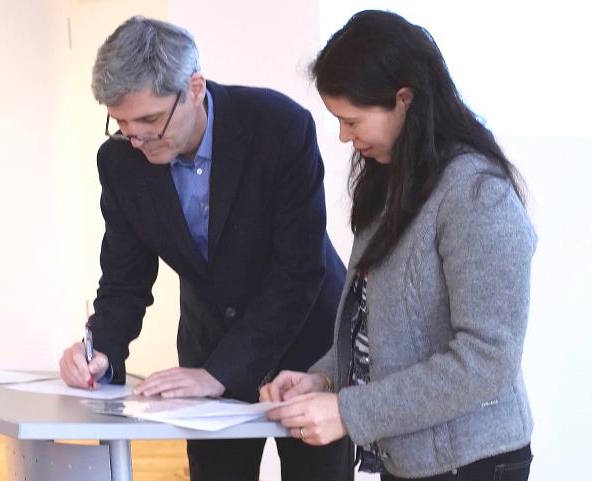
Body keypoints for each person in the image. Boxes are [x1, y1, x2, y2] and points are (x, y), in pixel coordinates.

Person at [58, 16, 350, 481]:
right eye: (122, 123)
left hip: (308, 343)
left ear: (194, 88)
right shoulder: (119, 161)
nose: (137, 138)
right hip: (208, 340)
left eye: (150, 119)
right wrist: (102, 352)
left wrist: (219, 372)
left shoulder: (278, 127)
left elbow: (298, 272)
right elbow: (124, 279)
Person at [261, 10, 536, 481]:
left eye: (352, 121)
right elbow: (380, 325)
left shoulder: (477, 195)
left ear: (404, 98)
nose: (345, 137)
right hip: (410, 457)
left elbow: (487, 360)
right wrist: (323, 376)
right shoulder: (393, 182)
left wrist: (348, 411)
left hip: (472, 461)